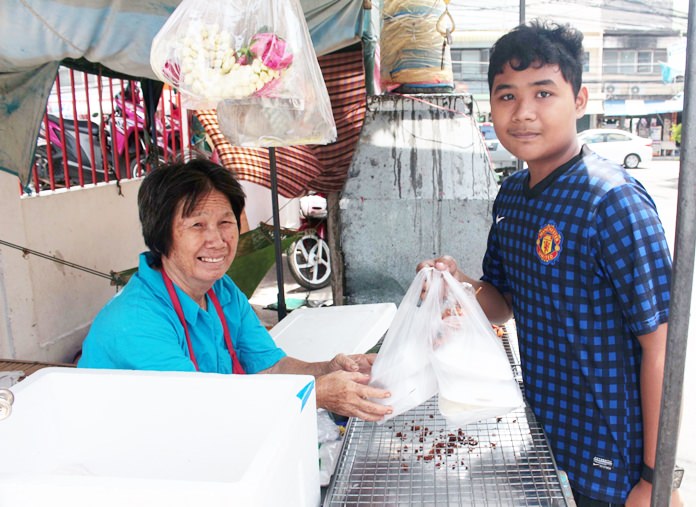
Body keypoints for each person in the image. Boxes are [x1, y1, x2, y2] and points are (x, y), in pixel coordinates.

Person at [418, 21, 681, 506]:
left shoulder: (612, 201)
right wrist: (457, 283)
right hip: (547, 438)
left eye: (543, 93)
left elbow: (662, 350)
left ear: (579, 100)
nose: (523, 114)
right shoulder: (513, 195)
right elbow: (504, 303)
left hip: (614, 460)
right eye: (507, 96)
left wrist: (654, 477)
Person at [78, 158, 392, 422]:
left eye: (226, 222)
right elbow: (202, 407)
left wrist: (328, 368)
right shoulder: (134, 322)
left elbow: (271, 367)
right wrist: (318, 394)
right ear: (162, 235)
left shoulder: (221, 290)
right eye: (197, 225)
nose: (217, 240)